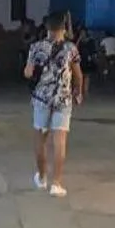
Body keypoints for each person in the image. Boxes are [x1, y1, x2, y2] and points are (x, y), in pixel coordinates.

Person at [26, 11, 86, 197]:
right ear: (64, 28)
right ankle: (57, 183)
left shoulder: (36, 47)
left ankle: (42, 177)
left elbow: (28, 73)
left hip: (42, 98)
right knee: (59, 141)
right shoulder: (71, 49)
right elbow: (78, 75)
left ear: (47, 27)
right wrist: (78, 91)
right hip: (62, 98)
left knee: (40, 138)